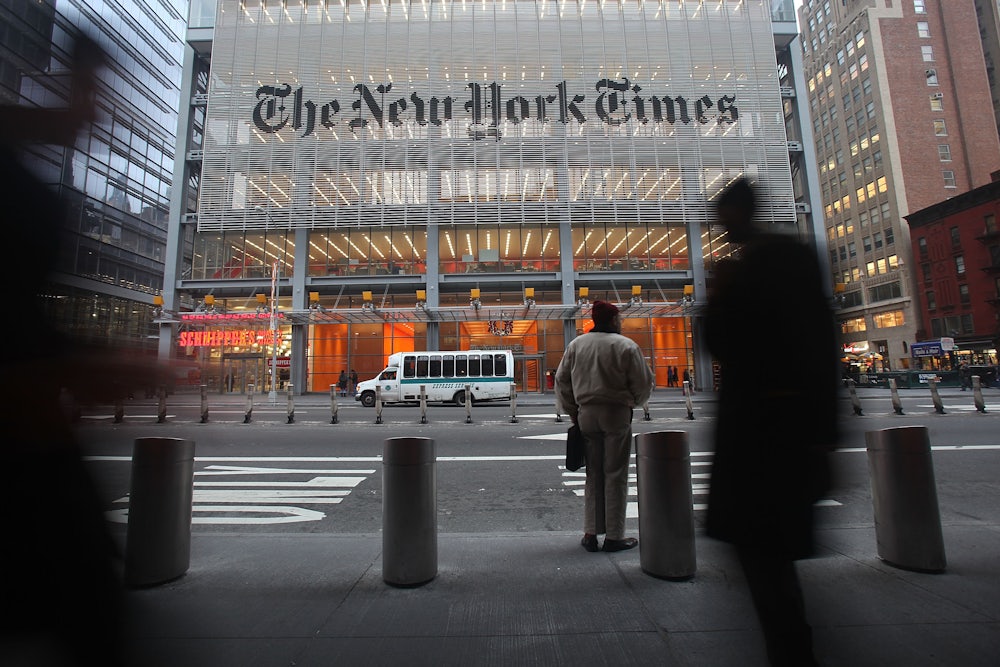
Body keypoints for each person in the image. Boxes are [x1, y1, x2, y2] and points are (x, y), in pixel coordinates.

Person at [704, 178, 839, 667]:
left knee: (762, 559)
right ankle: (792, 645)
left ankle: (791, 651)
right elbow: (824, 344)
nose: (719, 227)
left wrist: (716, 297)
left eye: (722, 217)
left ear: (737, 213)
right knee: (773, 557)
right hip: (795, 431)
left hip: (756, 438)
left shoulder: (745, 270)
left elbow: (723, 342)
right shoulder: (797, 257)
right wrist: (825, 435)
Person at [555, 300, 654, 553]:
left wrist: (573, 412)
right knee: (616, 474)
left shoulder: (576, 344)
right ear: (612, 320)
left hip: (586, 414)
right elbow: (643, 384)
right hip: (616, 412)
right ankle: (614, 536)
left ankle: (590, 533)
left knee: (593, 474)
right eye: (618, 319)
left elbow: (562, 380)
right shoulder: (626, 345)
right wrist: (633, 401)